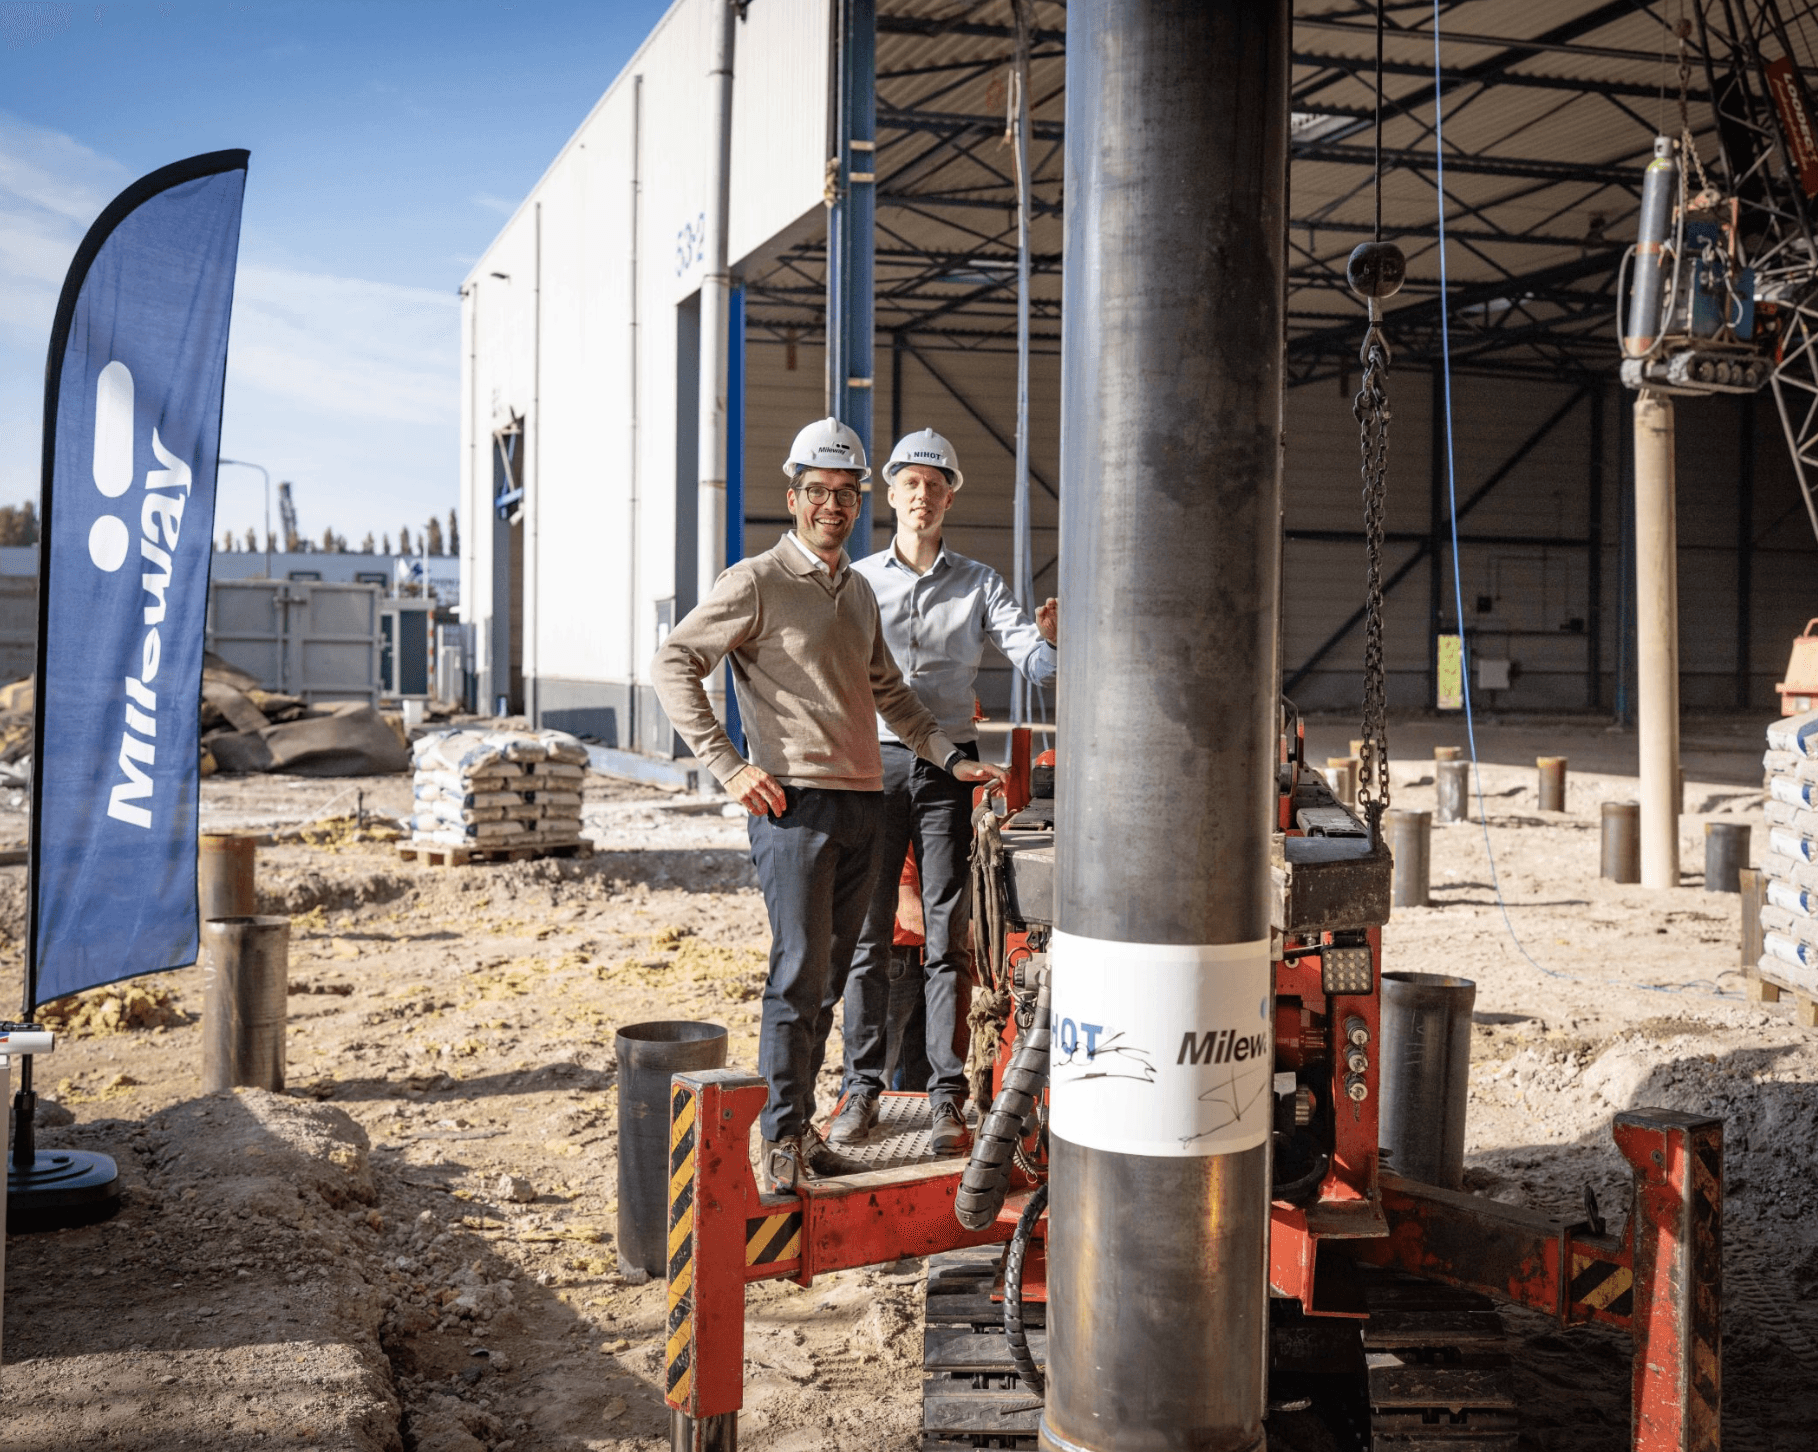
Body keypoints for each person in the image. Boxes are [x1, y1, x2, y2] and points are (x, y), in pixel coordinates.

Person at [649, 417, 1006, 1193]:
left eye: (847, 494)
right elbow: (674, 662)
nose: (834, 506)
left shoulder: (856, 594)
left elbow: (891, 694)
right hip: (794, 808)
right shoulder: (756, 581)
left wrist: (950, 758)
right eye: (820, 492)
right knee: (799, 974)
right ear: (794, 496)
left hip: (862, 804)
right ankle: (779, 1140)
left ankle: (803, 1132)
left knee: (838, 974)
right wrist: (728, 766)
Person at [830, 428, 1057, 1155]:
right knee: (867, 936)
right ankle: (858, 1091)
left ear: (950, 496)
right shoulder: (856, 580)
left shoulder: (980, 584)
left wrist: (1056, 643)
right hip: (873, 764)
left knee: (945, 933)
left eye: (935, 484)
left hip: (948, 770)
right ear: (889, 496)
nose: (921, 495)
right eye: (909, 484)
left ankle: (945, 1097)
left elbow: (1035, 662)